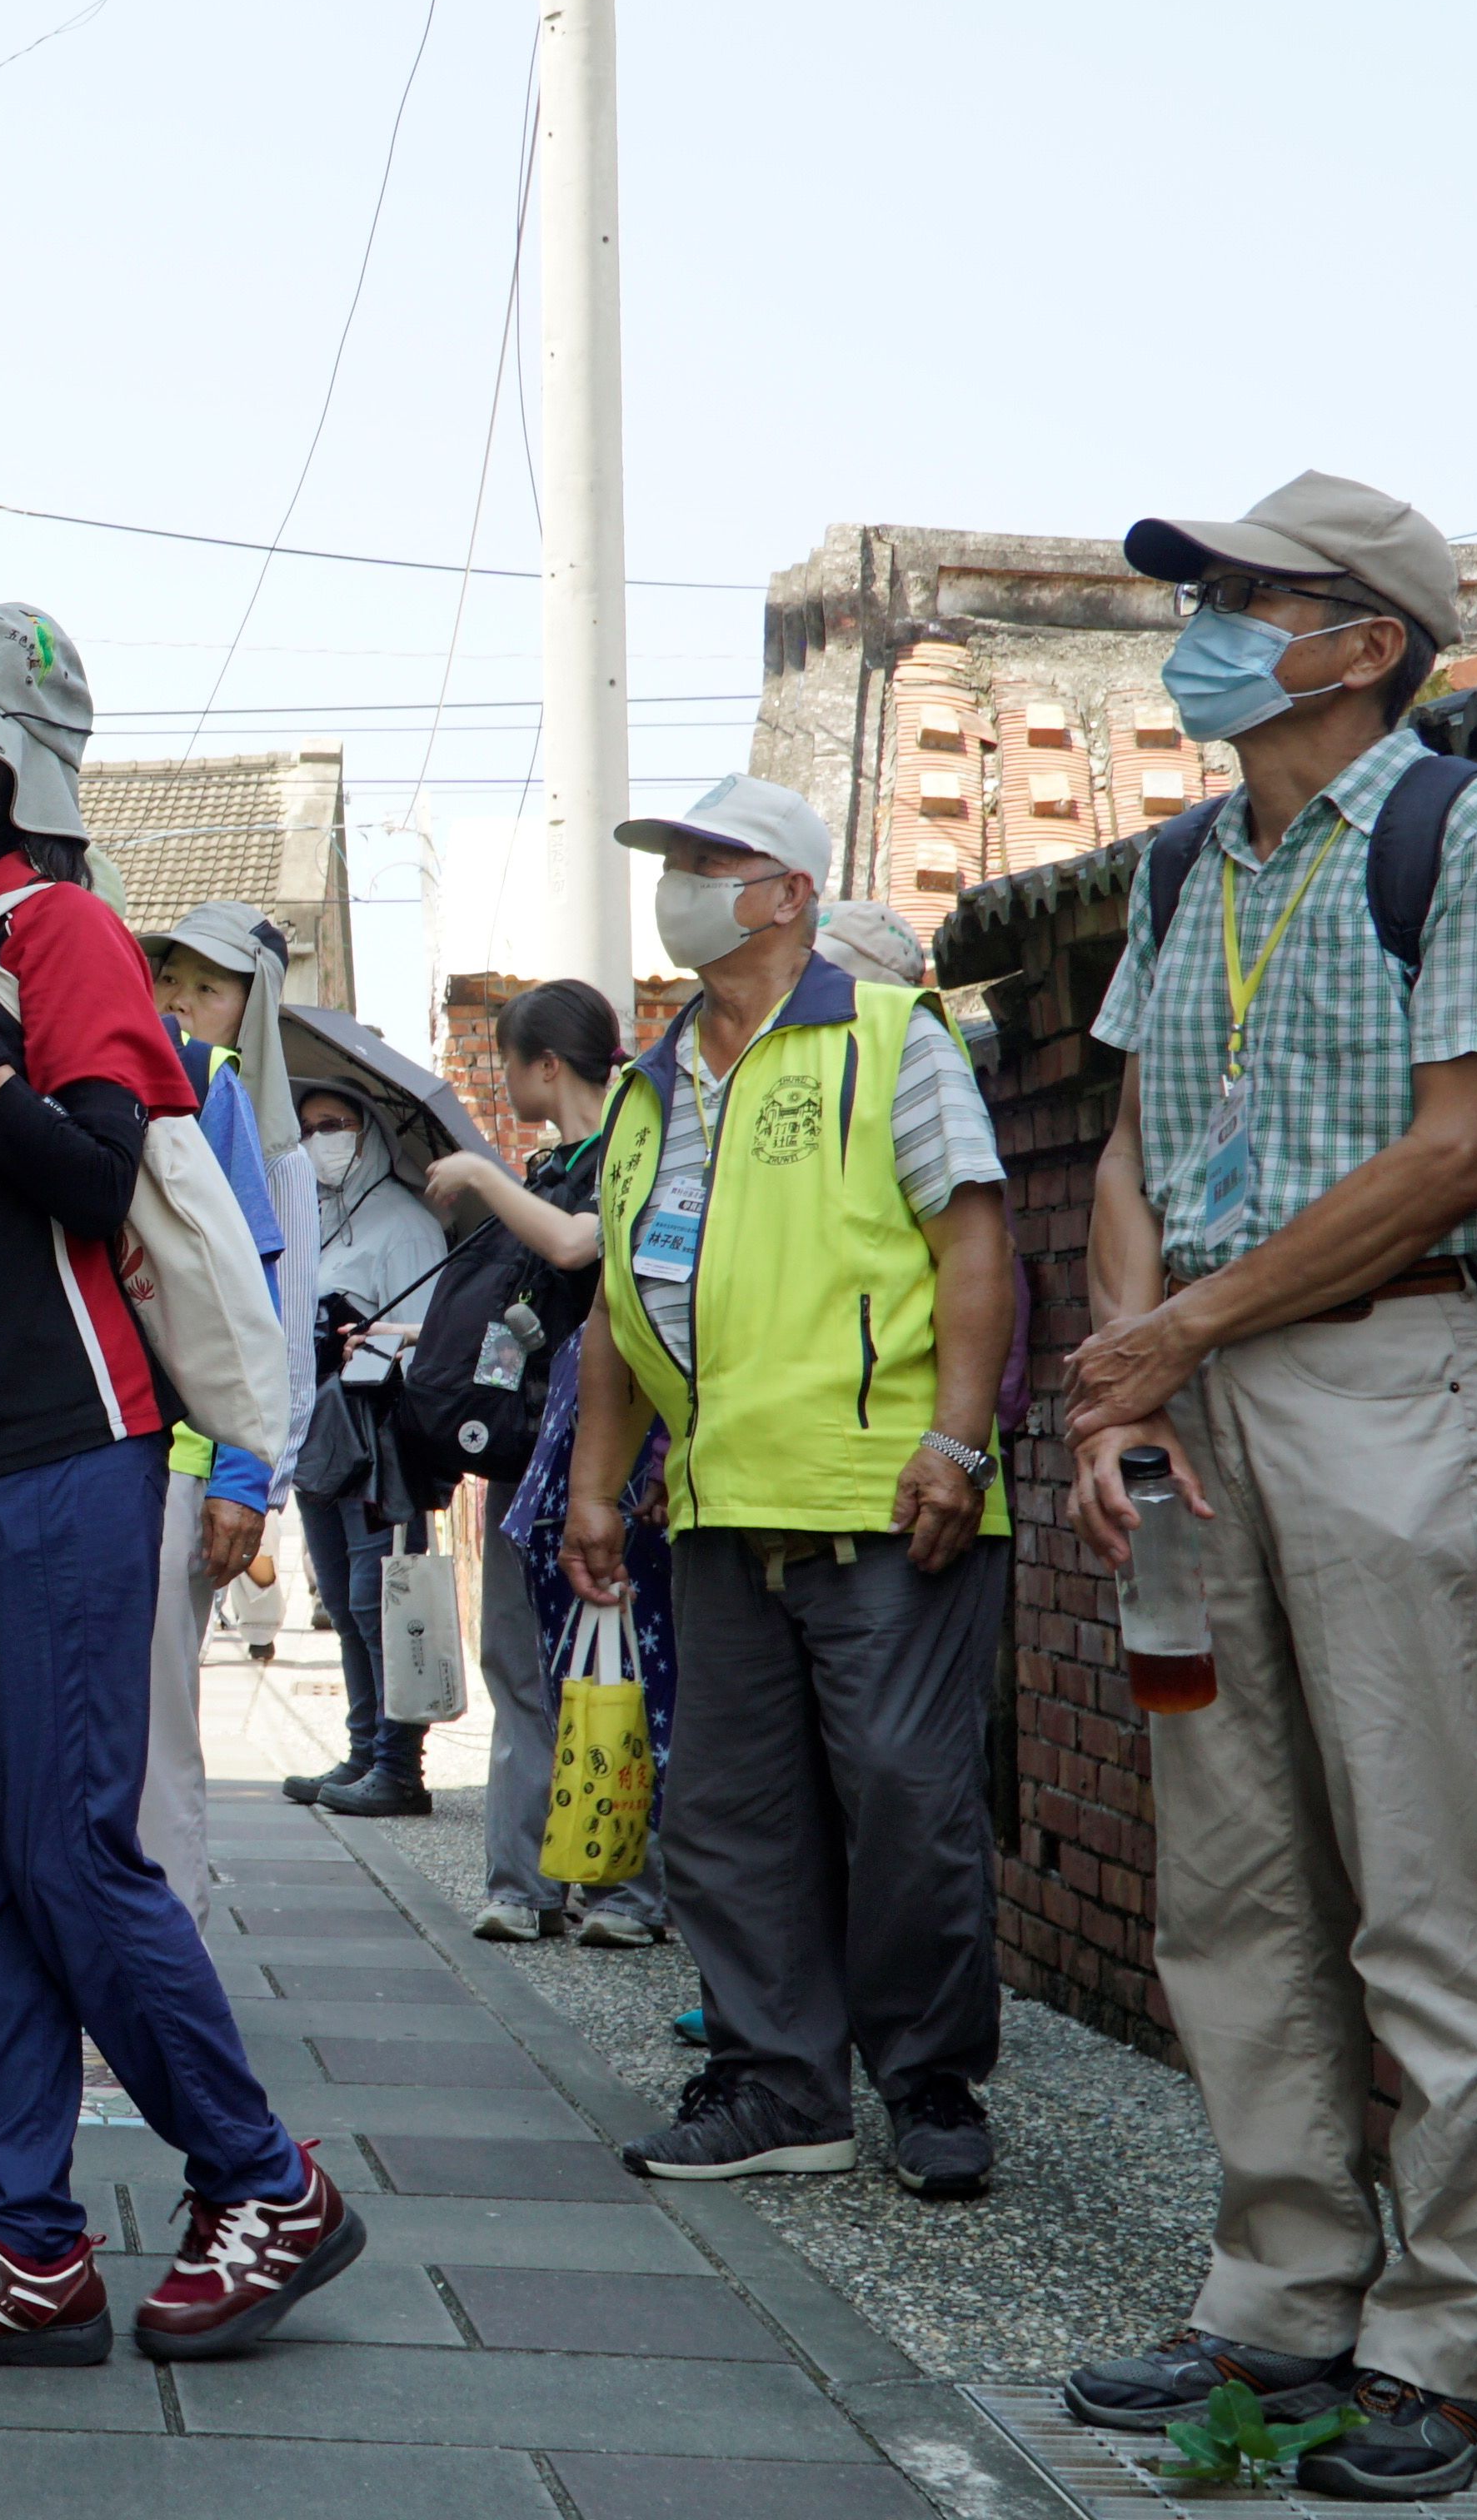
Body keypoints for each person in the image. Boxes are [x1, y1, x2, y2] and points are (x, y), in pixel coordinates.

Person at [1050, 474, 1477, 2499]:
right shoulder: (1186, 861)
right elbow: (1122, 1144)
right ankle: (1278, 2293)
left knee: (1426, 1877)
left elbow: (1458, 1154)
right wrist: (1121, 1385)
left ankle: (1448, 2337)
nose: (1196, 627)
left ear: (1364, 642)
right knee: (1228, 1864)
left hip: (1380, 1374)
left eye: (1241, 597)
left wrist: (1176, 1337)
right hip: (1194, 1391)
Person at [0, 605, 362, 2369]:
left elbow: (98, 1176)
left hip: (67, 1450)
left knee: (69, 1850)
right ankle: (27, 2237)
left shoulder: (66, 932)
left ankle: (266, 2177)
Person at [563, 770, 1015, 2201]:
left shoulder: (891, 1035)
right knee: (729, 1814)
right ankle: (779, 2086)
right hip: (717, 1502)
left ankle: (929, 2078)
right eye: (673, 857)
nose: (680, 879)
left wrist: (958, 1442)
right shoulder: (648, 1084)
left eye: (713, 858)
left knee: (903, 1791)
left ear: (791, 893)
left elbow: (975, 1244)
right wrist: (594, 1484)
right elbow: (619, 1305)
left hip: (884, 1495)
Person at [424, 979, 666, 1948]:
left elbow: (578, 1248)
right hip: (530, 1462)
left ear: (546, 1066)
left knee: (612, 1673)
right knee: (524, 1673)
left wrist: (484, 1182)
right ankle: (520, 1883)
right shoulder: (555, 1162)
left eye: (511, 1059)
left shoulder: (631, 1155)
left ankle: (623, 1889)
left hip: (608, 1459)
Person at [132, 901, 310, 1860]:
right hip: (84, 1450)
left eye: (211, 988)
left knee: (155, 1740)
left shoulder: (222, 1098)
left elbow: (268, 1325)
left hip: (184, 1456)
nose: (186, 1002)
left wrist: (251, 1479)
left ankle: (166, 1986)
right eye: (173, 980)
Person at [289, 1078, 449, 1818]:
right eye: (311, 1125)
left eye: (338, 1123)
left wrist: (367, 1346)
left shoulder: (405, 1224)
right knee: (344, 1604)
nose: (324, 1138)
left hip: (381, 1439)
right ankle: (363, 1752)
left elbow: (430, 1346)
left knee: (380, 1598)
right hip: (321, 1439)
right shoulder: (312, 1220)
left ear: (371, 1131)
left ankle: (399, 1765)